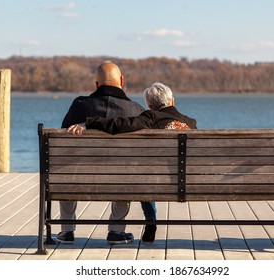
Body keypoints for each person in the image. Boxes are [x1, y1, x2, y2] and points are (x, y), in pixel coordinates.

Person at [68, 82, 197, 242]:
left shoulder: (150, 117)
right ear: (173, 101)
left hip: (156, 181)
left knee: (146, 174)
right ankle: (150, 222)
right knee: (151, 172)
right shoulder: (191, 123)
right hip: (187, 183)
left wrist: (89, 122)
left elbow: (119, 125)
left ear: (149, 106)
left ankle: (151, 221)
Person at [57, 61, 156, 245]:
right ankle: (116, 231)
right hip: (118, 180)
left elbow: (63, 142)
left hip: (79, 178)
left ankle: (67, 230)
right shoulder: (135, 110)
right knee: (125, 172)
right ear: (122, 81)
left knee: (68, 171)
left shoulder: (79, 105)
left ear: (96, 84)